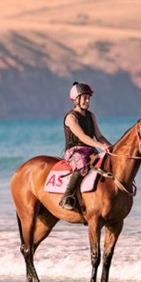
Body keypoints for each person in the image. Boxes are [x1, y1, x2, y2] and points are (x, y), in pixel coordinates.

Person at [60, 82, 112, 211]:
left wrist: (111, 147)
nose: (87, 101)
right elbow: (83, 137)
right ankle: (67, 196)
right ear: (76, 99)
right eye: (84, 98)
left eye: (89, 98)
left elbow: (99, 135)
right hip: (74, 151)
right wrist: (100, 146)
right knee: (82, 163)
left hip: (90, 149)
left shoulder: (91, 115)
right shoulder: (71, 117)